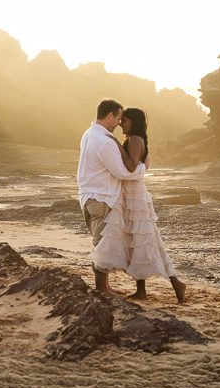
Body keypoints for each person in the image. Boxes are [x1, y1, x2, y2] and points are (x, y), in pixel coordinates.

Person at [95, 107, 187, 303]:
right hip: (130, 194)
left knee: (148, 242)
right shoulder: (135, 139)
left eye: (125, 121)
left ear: (134, 122)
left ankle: (176, 283)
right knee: (136, 243)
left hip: (135, 196)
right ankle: (142, 291)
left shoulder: (136, 140)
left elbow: (130, 165)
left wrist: (116, 144)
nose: (121, 124)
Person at [77, 99, 146, 295]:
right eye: (118, 118)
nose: (119, 122)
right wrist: (143, 168)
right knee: (102, 243)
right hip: (102, 197)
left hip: (89, 196)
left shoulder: (89, 134)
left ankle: (104, 286)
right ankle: (101, 289)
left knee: (101, 241)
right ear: (109, 116)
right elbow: (123, 172)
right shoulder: (105, 141)